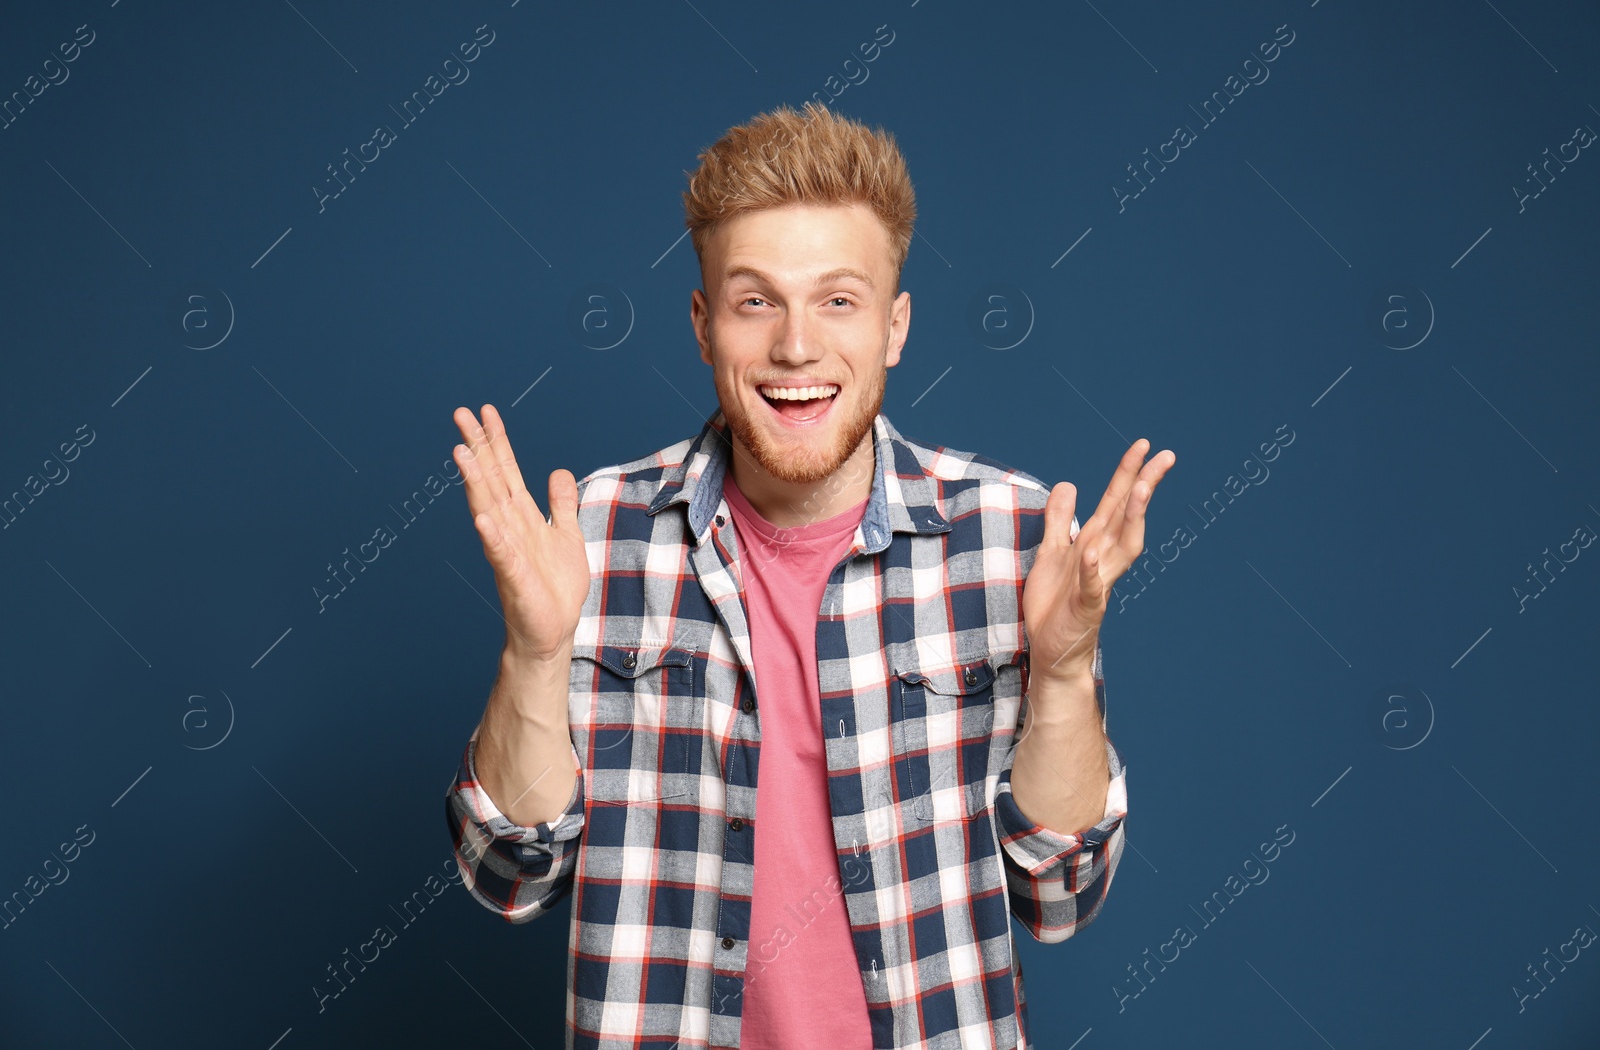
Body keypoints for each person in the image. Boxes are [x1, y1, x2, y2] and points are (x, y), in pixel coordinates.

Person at [443, 100, 1174, 1050]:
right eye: (756, 301)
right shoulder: (592, 534)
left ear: (895, 325)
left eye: (838, 299)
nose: (796, 347)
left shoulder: (1011, 539)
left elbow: (1060, 891)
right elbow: (509, 873)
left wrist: (1066, 669)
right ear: (704, 325)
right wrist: (535, 655)